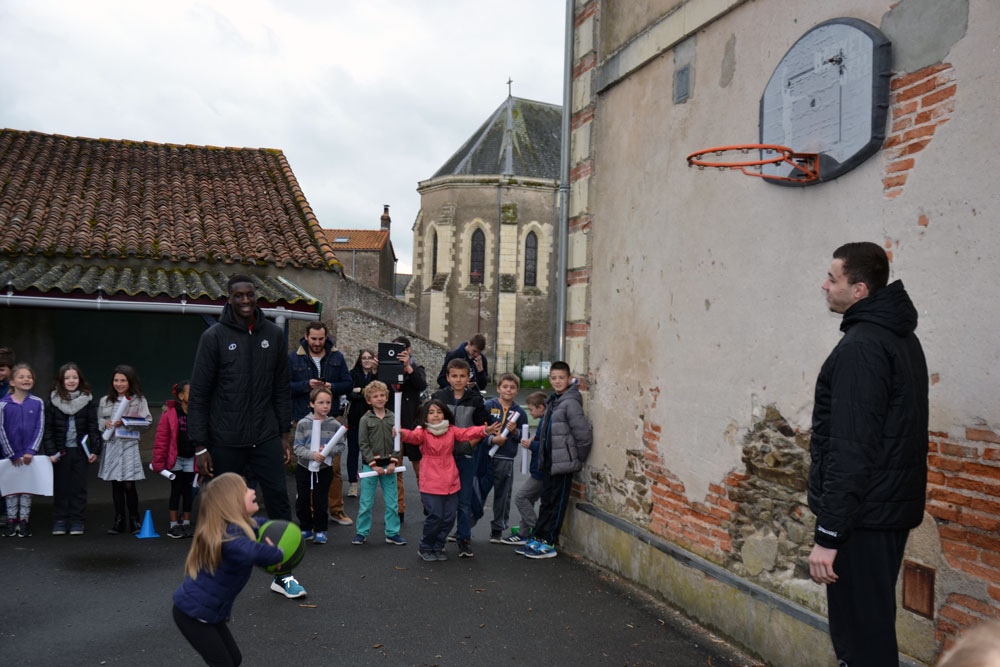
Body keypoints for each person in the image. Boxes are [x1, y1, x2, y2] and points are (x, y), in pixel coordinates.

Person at [806, 242, 928, 666]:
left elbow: (850, 449)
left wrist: (829, 536)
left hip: (862, 520)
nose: (824, 286)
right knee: (871, 631)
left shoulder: (863, 346)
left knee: (862, 642)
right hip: (882, 514)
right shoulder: (899, 337)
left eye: (832, 278)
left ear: (859, 290)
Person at [188, 274, 305, 599]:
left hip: (266, 434)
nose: (244, 300)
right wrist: (200, 446)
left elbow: (281, 387)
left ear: (257, 296)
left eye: (250, 294)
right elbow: (199, 393)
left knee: (280, 500)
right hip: (225, 437)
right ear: (229, 298)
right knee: (219, 506)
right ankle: (210, 573)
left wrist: (284, 434)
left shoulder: (273, 335)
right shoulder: (213, 337)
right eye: (238, 295)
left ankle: (283, 574)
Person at [172, 472, 285, 667]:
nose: (252, 490)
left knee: (234, 660)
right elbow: (251, 552)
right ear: (232, 503)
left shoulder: (240, 526)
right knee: (224, 664)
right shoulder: (229, 539)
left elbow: (260, 525)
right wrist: (277, 553)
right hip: (193, 614)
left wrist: (283, 531)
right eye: (245, 489)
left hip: (208, 612)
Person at [400, 399, 500, 561]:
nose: (436, 415)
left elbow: (467, 432)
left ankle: (438, 546)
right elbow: (412, 436)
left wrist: (485, 430)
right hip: (431, 482)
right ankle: (425, 546)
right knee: (436, 516)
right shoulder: (423, 432)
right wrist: (402, 433)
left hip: (451, 481)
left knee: (448, 517)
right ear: (425, 416)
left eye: (439, 412)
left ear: (445, 414)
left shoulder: (451, 430)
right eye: (431, 412)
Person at [519, 362, 592, 560]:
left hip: (564, 464)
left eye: (561, 378)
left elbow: (583, 435)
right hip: (549, 462)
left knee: (557, 504)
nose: (557, 381)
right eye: (553, 378)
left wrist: (576, 458)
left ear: (569, 379)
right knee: (547, 502)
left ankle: (550, 542)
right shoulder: (554, 401)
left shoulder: (570, 402)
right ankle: (540, 537)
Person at [288, 321, 353, 527]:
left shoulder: (337, 356)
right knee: (306, 467)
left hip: (330, 419)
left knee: (332, 467)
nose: (317, 343)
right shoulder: (293, 358)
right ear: (306, 336)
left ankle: (336, 510)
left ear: (326, 337)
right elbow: (284, 386)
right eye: (313, 338)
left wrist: (331, 386)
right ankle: (310, 513)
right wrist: (305, 385)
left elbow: (349, 384)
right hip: (303, 418)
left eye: (321, 339)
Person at [432, 358, 489, 557]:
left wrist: (468, 445)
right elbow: (429, 422)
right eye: (454, 376)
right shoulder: (438, 396)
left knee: (464, 500)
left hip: (465, 455)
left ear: (468, 378)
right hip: (442, 457)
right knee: (443, 500)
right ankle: (437, 538)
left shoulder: (475, 400)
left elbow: (483, 428)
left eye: (462, 376)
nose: (458, 380)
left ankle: (464, 538)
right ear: (447, 377)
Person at [44, 362, 102, 536]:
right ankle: (60, 520)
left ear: (80, 379)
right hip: (60, 452)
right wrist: (50, 451)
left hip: (80, 451)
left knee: (78, 487)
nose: (71, 381)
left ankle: (77, 520)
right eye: (67, 377)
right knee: (61, 487)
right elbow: (48, 429)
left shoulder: (88, 400)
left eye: (74, 377)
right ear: (61, 380)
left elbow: (93, 427)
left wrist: (95, 450)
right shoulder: (53, 401)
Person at [98, 364, 152, 535]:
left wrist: (127, 422)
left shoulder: (139, 400)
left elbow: (147, 422)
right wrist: (104, 423)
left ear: (130, 382)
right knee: (116, 483)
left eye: (123, 380)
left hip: (129, 444)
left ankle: (134, 520)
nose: (119, 384)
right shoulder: (105, 400)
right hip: (112, 444)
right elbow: (98, 420)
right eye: (116, 380)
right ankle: (119, 520)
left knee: (129, 484)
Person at [352, 380, 405, 546]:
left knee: (392, 502)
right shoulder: (365, 419)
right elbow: (363, 443)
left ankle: (392, 533)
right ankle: (361, 532)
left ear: (387, 397)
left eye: (382, 395)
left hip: (389, 466)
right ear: (369, 400)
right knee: (366, 503)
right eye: (375, 396)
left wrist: (393, 462)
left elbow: (399, 441)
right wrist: (373, 464)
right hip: (371, 467)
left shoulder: (393, 417)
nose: (380, 398)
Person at [292, 386, 346, 545]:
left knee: (320, 500)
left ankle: (321, 529)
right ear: (311, 404)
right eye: (321, 402)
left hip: (324, 469)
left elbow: (341, 445)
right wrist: (312, 454)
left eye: (328, 402)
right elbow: (297, 447)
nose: (325, 406)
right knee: (302, 499)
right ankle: (306, 528)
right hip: (304, 467)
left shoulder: (334, 425)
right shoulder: (303, 423)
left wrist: (328, 451)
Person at [0, 363, 45, 537]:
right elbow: (1, 430)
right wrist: (12, 453)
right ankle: (11, 521)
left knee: (26, 488)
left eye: (29, 377)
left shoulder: (38, 402)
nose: (26, 380)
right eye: (21, 377)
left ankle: (24, 520)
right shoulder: (3, 404)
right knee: (11, 487)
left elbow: (39, 428)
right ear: (12, 382)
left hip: (28, 456)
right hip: (9, 455)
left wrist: (31, 451)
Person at [482, 373, 526, 543]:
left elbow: (523, 437)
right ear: (499, 388)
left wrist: (514, 432)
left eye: (512, 387)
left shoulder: (520, 412)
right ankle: (465, 528)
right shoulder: (488, 406)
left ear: (516, 391)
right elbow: (480, 430)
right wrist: (490, 439)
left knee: (503, 495)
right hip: (487, 456)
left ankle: (497, 530)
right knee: (478, 493)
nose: (508, 390)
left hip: (506, 458)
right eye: (505, 386)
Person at [500, 391, 548, 546]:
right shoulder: (545, 421)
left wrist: (531, 445)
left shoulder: (546, 422)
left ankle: (538, 531)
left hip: (541, 472)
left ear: (541, 408)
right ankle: (523, 533)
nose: (531, 412)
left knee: (520, 497)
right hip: (539, 469)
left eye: (532, 409)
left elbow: (547, 447)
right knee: (529, 499)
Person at [152, 380, 196, 538]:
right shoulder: (170, 414)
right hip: (176, 458)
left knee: (188, 491)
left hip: (192, 458)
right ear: (181, 395)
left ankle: (186, 523)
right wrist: (158, 461)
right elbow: (162, 439)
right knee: (176, 489)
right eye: (191, 392)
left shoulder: (198, 413)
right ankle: (173, 525)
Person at [391, 336, 428, 523]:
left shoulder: (417, 369)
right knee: (395, 470)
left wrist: (408, 367)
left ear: (409, 350)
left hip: (412, 425)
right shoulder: (388, 368)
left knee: (421, 469)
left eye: (402, 350)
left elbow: (422, 385)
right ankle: (399, 508)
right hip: (394, 427)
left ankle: (428, 505)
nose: (399, 354)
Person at [344, 348, 378, 497]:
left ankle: (367, 483)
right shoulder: (353, 374)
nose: (366, 360)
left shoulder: (376, 375)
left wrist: (361, 391)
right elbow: (349, 393)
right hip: (355, 419)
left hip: (371, 421)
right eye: (364, 358)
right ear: (360, 359)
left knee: (368, 454)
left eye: (369, 357)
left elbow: (376, 395)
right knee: (353, 452)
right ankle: (353, 483)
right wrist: (365, 394)